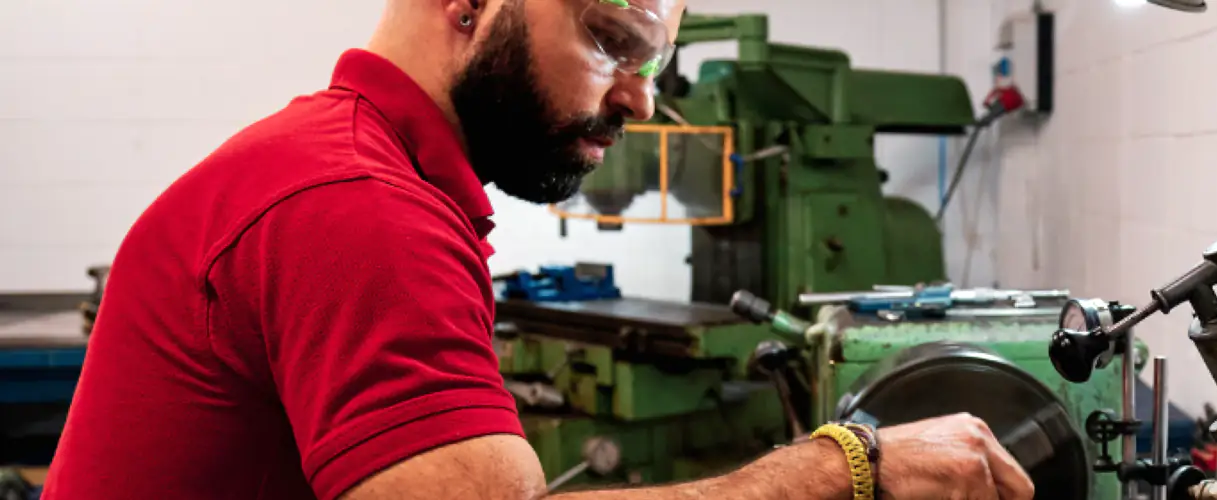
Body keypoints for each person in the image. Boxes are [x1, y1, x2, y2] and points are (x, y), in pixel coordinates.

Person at [43, 0, 1035, 499]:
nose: (642, 99)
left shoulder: (360, 167)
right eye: (610, 40)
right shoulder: (359, 205)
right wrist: (845, 466)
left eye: (651, 62)